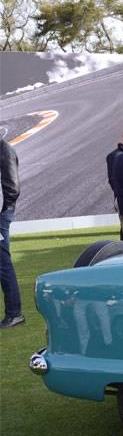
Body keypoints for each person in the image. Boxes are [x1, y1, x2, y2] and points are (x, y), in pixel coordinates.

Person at [0, 138, 23, 329]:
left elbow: (12, 187)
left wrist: (5, 208)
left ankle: (14, 314)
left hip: (1, 215)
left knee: (2, 263)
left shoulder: (4, 148)